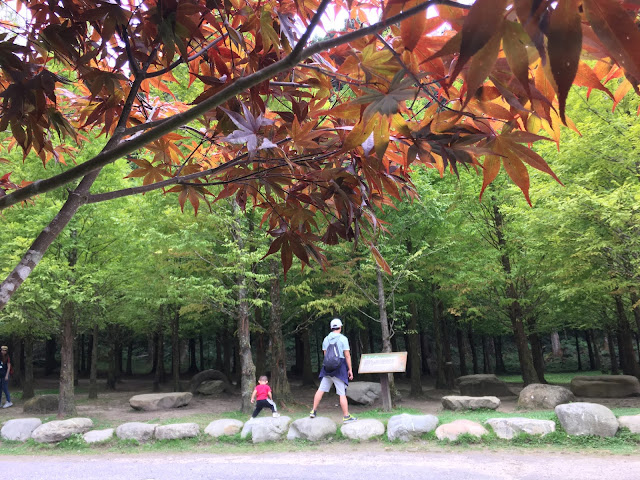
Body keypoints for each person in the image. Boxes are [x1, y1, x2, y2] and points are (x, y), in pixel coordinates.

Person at [310, 318, 357, 423]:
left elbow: (325, 354)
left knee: (321, 389)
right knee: (341, 393)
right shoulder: (343, 339)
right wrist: (350, 369)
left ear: (331, 328)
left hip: (327, 368)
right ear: (340, 327)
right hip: (339, 368)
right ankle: (346, 416)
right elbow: (347, 356)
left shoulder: (326, 339)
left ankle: (313, 411)